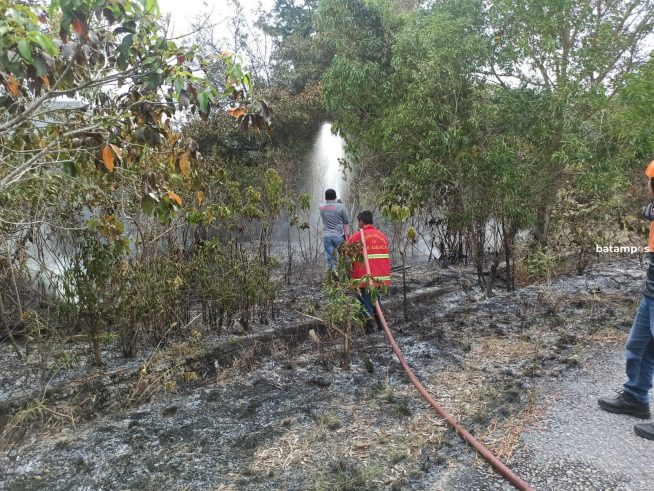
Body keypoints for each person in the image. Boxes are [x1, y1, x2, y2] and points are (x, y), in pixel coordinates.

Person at [598, 160, 654, 440]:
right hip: (651, 292)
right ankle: (635, 398)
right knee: (639, 346)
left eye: (649, 180)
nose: (646, 184)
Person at [347, 210, 391, 334]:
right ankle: (381, 326)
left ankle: (369, 330)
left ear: (361, 221)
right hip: (380, 277)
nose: (358, 224)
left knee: (365, 302)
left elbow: (348, 253)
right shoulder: (382, 235)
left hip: (364, 277)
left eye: (358, 222)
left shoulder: (356, 236)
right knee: (375, 300)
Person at [319, 189, 349, 274]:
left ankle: (333, 274)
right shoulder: (341, 207)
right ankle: (345, 274)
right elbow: (346, 221)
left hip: (327, 236)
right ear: (335, 197)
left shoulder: (321, 207)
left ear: (325, 197)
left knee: (330, 257)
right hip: (339, 236)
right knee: (343, 256)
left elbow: (326, 206)